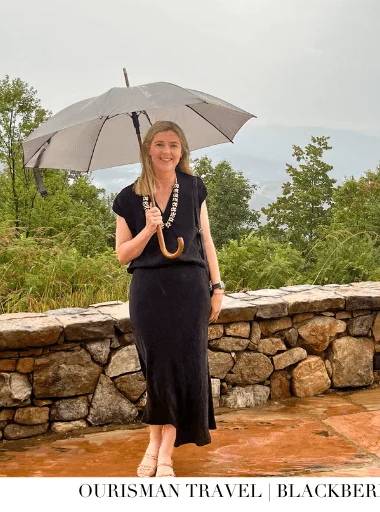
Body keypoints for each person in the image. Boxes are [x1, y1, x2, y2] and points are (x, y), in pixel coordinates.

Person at [111, 120, 224, 478]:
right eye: (160, 144)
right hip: (149, 294)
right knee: (158, 371)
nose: (167, 151)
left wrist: (217, 287)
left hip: (190, 289)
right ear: (148, 149)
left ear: (182, 150)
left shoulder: (193, 188)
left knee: (185, 369)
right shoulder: (128, 198)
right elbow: (123, 255)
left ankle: (163, 454)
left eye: (174, 145)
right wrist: (147, 229)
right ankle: (154, 445)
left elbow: (206, 241)